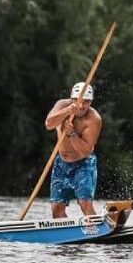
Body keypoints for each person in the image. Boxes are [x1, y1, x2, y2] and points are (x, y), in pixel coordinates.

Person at [44, 82, 102, 218]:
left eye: (86, 102)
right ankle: (64, 236)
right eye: (79, 101)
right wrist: (68, 111)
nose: (82, 106)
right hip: (61, 163)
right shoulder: (62, 105)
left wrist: (72, 135)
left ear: (91, 102)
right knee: (56, 207)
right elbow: (49, 124)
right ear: (72, 99)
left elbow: (86, 151)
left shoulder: (94, 119)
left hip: (83, 163)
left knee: (84, 203)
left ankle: (96, 229)